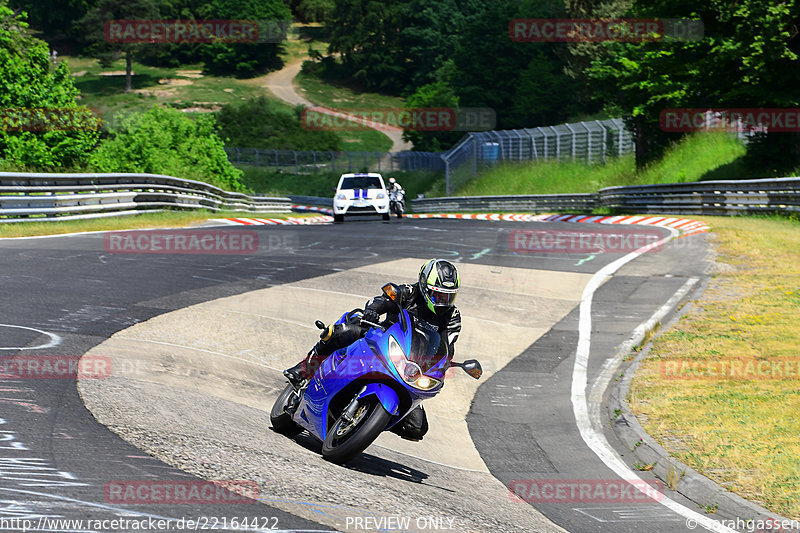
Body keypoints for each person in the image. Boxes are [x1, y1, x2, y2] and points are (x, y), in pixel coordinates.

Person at [283, 258, 462, 440]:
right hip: (382, 339)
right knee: (343, 330)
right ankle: (305, 369)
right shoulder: (409, 292)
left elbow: (448, 346)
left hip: (411, 365)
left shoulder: (453, 316)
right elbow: (380, 301)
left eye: (449, 296)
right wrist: (373, 310)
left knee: (417, 428)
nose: (443, 301)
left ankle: (370, 418)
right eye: (438, 295)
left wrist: (443, 365)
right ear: (424, 285)